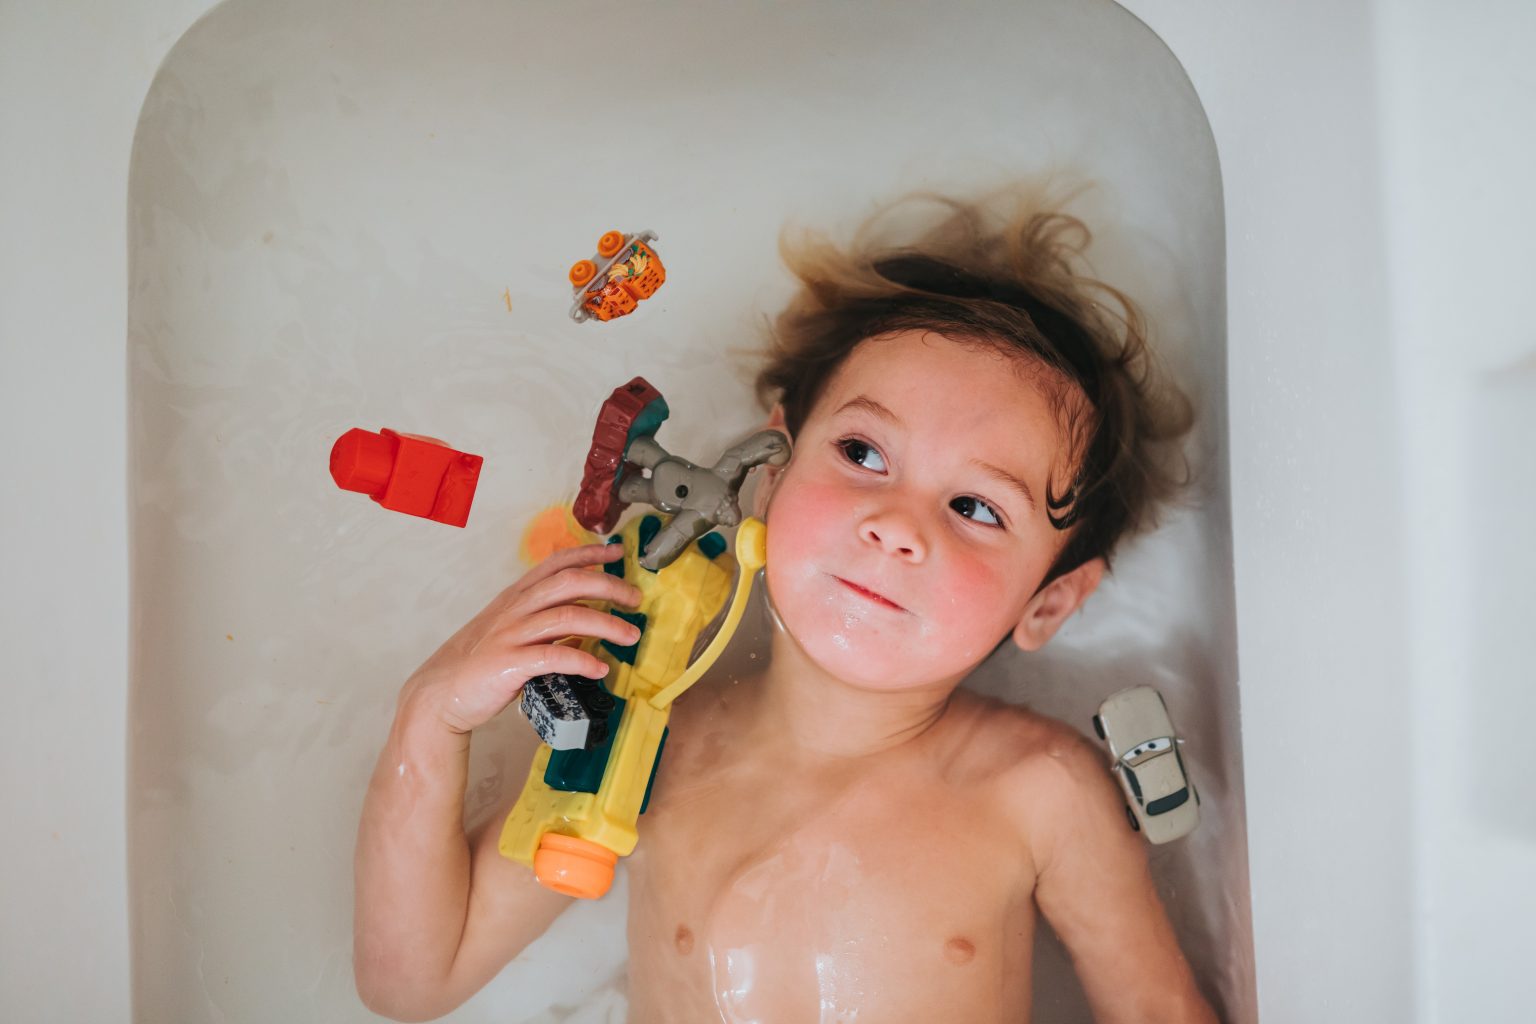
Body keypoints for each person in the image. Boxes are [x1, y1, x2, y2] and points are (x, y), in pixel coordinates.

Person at [353, 188, 1216, 1023]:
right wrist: (431, 717)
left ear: (1050, 601)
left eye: (976, 508)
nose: (895, 526)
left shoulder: (1041, 790)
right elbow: (415, 979)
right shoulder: (650, 744)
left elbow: (1156, 1009)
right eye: (862, 452)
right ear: (767, 472)